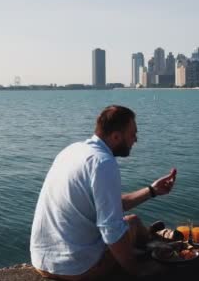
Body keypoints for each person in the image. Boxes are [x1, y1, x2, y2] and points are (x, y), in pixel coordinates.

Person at [30, 105, 177, 280]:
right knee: (131, 225)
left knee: (132, 221)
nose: (135, 140)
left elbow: (109, 204)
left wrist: (152, 190)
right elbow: (111, 229)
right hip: (77, 268)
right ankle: (155, 242)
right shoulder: (103, 163)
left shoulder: (72, 150)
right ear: (116, 136)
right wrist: (138, 272)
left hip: (41, 262)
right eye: (132, 134)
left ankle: (150, 239)